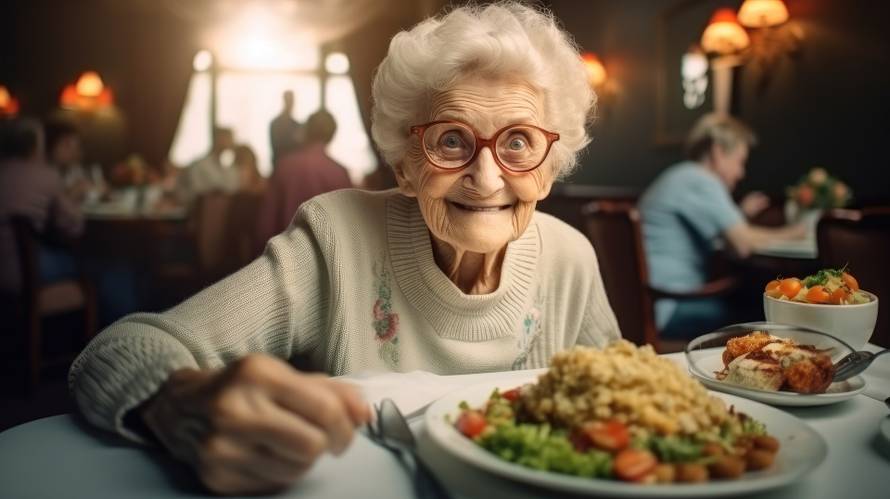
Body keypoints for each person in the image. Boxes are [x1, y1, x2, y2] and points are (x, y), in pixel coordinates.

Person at [69, 3, 621, 495]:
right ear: (406, 162)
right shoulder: (337, 239)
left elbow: (626, 401)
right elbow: (119, 348)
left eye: (518, 142)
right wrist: (177, 402)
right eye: (451, 139)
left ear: (549, 168)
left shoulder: (569, 258)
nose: (486, 176)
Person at [639, 113, 806, 338]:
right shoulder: (700, 180)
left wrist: (740, 215)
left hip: (651, 304)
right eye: (739, 161)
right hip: (670, 307)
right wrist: (796, 232)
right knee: (768, 315)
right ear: (718, 152)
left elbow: (729, 235)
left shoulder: (680, 176)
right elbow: (742, 244)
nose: (741, 173)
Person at [0, 118, 84, 295]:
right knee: (100, 265)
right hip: (22, 272)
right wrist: (73, 198)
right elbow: (74, 225)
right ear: (34, 146)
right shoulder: (45, 175)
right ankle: (120, 320)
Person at [255, 110, 351, 248]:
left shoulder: (284, 166)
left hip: (284, 254)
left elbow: (265, 225)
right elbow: (345, 225)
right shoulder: (339, 173)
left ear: (306, 130)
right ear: (332, 135)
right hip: (325, 256)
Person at [44, 119, 104, 204]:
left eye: (76, 146)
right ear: (49, 146)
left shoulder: (67, 171)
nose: (74, 151)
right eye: (67, 145)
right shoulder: (41, 175)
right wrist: (73, 193)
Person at [178, 127, 239, 201]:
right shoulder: (201, 165)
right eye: (228, 138)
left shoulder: (228, 168)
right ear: (218, 139)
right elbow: (196, 192)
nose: (232, 142)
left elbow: (232, 189)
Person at [269, 90, 303, 169]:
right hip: (280, 166)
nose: (290, 103)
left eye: (291, 100)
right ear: (284, 101)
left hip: (293, 167)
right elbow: (276, 148)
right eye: (289, 100)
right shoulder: (275, 124)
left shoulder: (296, 125)